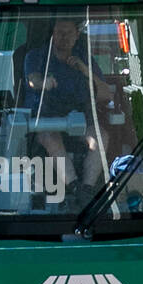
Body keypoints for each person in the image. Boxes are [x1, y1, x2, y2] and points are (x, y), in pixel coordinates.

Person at [23, 18, 113, 196]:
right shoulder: (36, 56)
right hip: (46, 122)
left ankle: (86, 190)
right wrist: (44, 83)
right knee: (51, 138)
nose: (63, 37)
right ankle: (74, 187)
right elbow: (33, 80)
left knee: (101, 137)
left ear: (77, 36)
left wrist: (85, 70)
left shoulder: (84, 60)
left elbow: (106, 93)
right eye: (59, 33)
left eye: (68, 33)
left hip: (80, 120)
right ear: (53, 35)